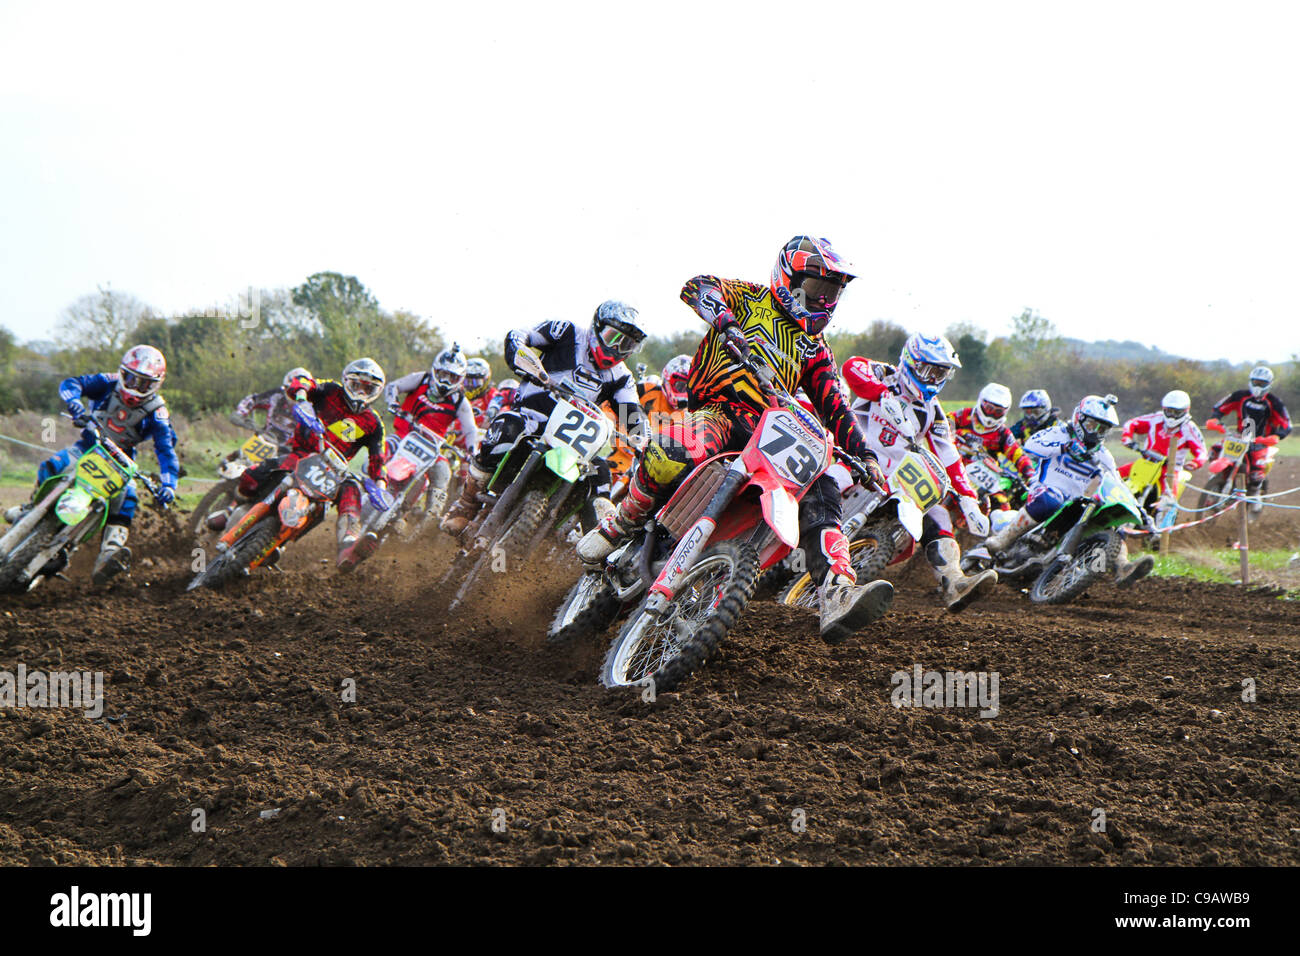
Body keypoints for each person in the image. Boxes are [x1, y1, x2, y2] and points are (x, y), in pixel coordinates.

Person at [576, 236, 895, 644]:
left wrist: (865, 455)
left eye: (833, 293)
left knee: (824, 489)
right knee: (673, 448)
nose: (824, 301)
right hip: (722, 412)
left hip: (771, 432)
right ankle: (621, 523)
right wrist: (726, 322)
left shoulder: (815, 347)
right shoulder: (748, 299)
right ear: (790, 278)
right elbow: (696, 286)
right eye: (818, 289)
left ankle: (836, 591)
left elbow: (835, 404)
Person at [441, 301, 649, 534]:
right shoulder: (567, 332)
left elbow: (632, 411)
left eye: (627, 345)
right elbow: (521, 336)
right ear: (597, 327)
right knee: (508, 426)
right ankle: (466, 504)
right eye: (613, 338)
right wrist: (525, 357)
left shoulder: (622, 377)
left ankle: (588, 548)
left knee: (600, 474)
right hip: (532, 419)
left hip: (574, 445)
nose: (617, 349)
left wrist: (643, 440)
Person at [842, 336, 999, 611]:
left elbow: (948, 453)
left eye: (942, 373)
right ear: (912, 362)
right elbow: (852, 366)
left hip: (895, 478)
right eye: (930, 370)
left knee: (937, 512)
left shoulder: (933, 410)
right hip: (854, 459)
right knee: (828, 478)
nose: (935, 378)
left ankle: (954, 581)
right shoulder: (886, 375)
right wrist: (880, 393)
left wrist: (968, 498)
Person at [5, 345, 178, 585]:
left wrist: (169, 484)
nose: (134, 387)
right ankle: (30, 508)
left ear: (156, 384)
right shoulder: (108, 382)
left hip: (121, 462)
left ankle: (109, 552)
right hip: (87, 447)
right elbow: (71, 383)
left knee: (127, 499)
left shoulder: (157, 412)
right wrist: (74, 402)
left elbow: (166, 450)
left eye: (143, 383)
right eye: (130, 378)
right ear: (122, 372)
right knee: (53, 465)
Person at [984, 395, 1153, 586]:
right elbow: (1030, 446)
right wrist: (1065, 448)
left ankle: (1122, 567)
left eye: (1102, 428)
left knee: (1112, 524)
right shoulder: (1058, 434)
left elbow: (1118, 484)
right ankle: (1002, 540)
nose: (1095, 432)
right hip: (1045, 491)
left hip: (1074, 504)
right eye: (1091, 425)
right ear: (1079, 418)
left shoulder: (1102, 455)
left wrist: (1143, 514)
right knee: (1051, 499)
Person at [231, 359, 388, 563]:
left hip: (334, 472)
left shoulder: (373, 423)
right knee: (252, 477)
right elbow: (304, 381)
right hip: (302, 454)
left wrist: (380, 487)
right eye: (356, 385)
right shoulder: (330, 390)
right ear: (346, 381)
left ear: (376, 392)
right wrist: (303, 399)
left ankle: (349, 548)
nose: (360, 393)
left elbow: (378, 459)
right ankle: (232, 508)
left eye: (368, 389)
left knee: (352, 489)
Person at [383, 346, 479, 520]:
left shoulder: (460, 400)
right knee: (384, 448)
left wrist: (472, 450)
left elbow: (470, 429)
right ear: (435, 370)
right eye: (442, 374)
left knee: (444, 471)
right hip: (404, 435)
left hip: (431, 448)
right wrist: (393, 402)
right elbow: (393, 386)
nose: (446, 381)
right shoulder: (421, 379)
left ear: (460, 379)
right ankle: (367, 485)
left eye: (453, 377)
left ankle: (430, 519)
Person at [1209, 365, 1291, 511]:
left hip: (1260, 441)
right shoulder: (1240, 396)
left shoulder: (1274, 402)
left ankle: (1255, 494)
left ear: (1269, 384)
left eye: (1262, 383)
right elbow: (1220, 407)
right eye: (1255, 382)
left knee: (1255, 474)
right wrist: (1215, 419)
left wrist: (1276, 436)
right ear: (1250, 381)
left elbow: (1286, 424)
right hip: (1239, 438)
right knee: (1215, 450)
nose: (1258, 386)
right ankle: (1219, 480)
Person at [949, 382, 1037, 509]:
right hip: (951, 464)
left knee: (1003, 503)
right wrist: (949, 430)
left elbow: (1019, 455)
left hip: (983, 478)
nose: (991, 415)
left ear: (1004, 412)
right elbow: (944, 420)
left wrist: (1030, 476)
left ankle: (994, 527)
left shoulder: (1003, 433)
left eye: (998, 412)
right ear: (981, 403)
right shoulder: (964, 415)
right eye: (989, 409)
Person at [1118, 389, 1207, 514]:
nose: (1172, 416)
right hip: (1147, 462)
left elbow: (1202, 451)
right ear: (1164, 409)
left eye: (1176, 412)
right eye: (1169, 411)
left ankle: (1162, 526)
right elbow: (1132, 423)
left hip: (1170, 469)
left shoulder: (1189, 428)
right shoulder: (1156, 418)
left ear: (1185, 411)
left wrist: (1195, 462)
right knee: (1114, 475)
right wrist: (1127, 437)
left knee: (1168, 498)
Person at [229, 367, 312, 449]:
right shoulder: (276, 396)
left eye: (298, 392)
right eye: (290, 390)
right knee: (237, 457)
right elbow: (254, 399)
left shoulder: (311, 408)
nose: (293, 395)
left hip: (290, 449)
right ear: (285, 387)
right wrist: (240, 413)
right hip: (265, 439)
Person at [638, 354, 692, 431]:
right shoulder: (645, 390)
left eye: (691, 389)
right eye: (681, 386)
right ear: (668, 381)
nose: (686, 394)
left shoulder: (691, 416)